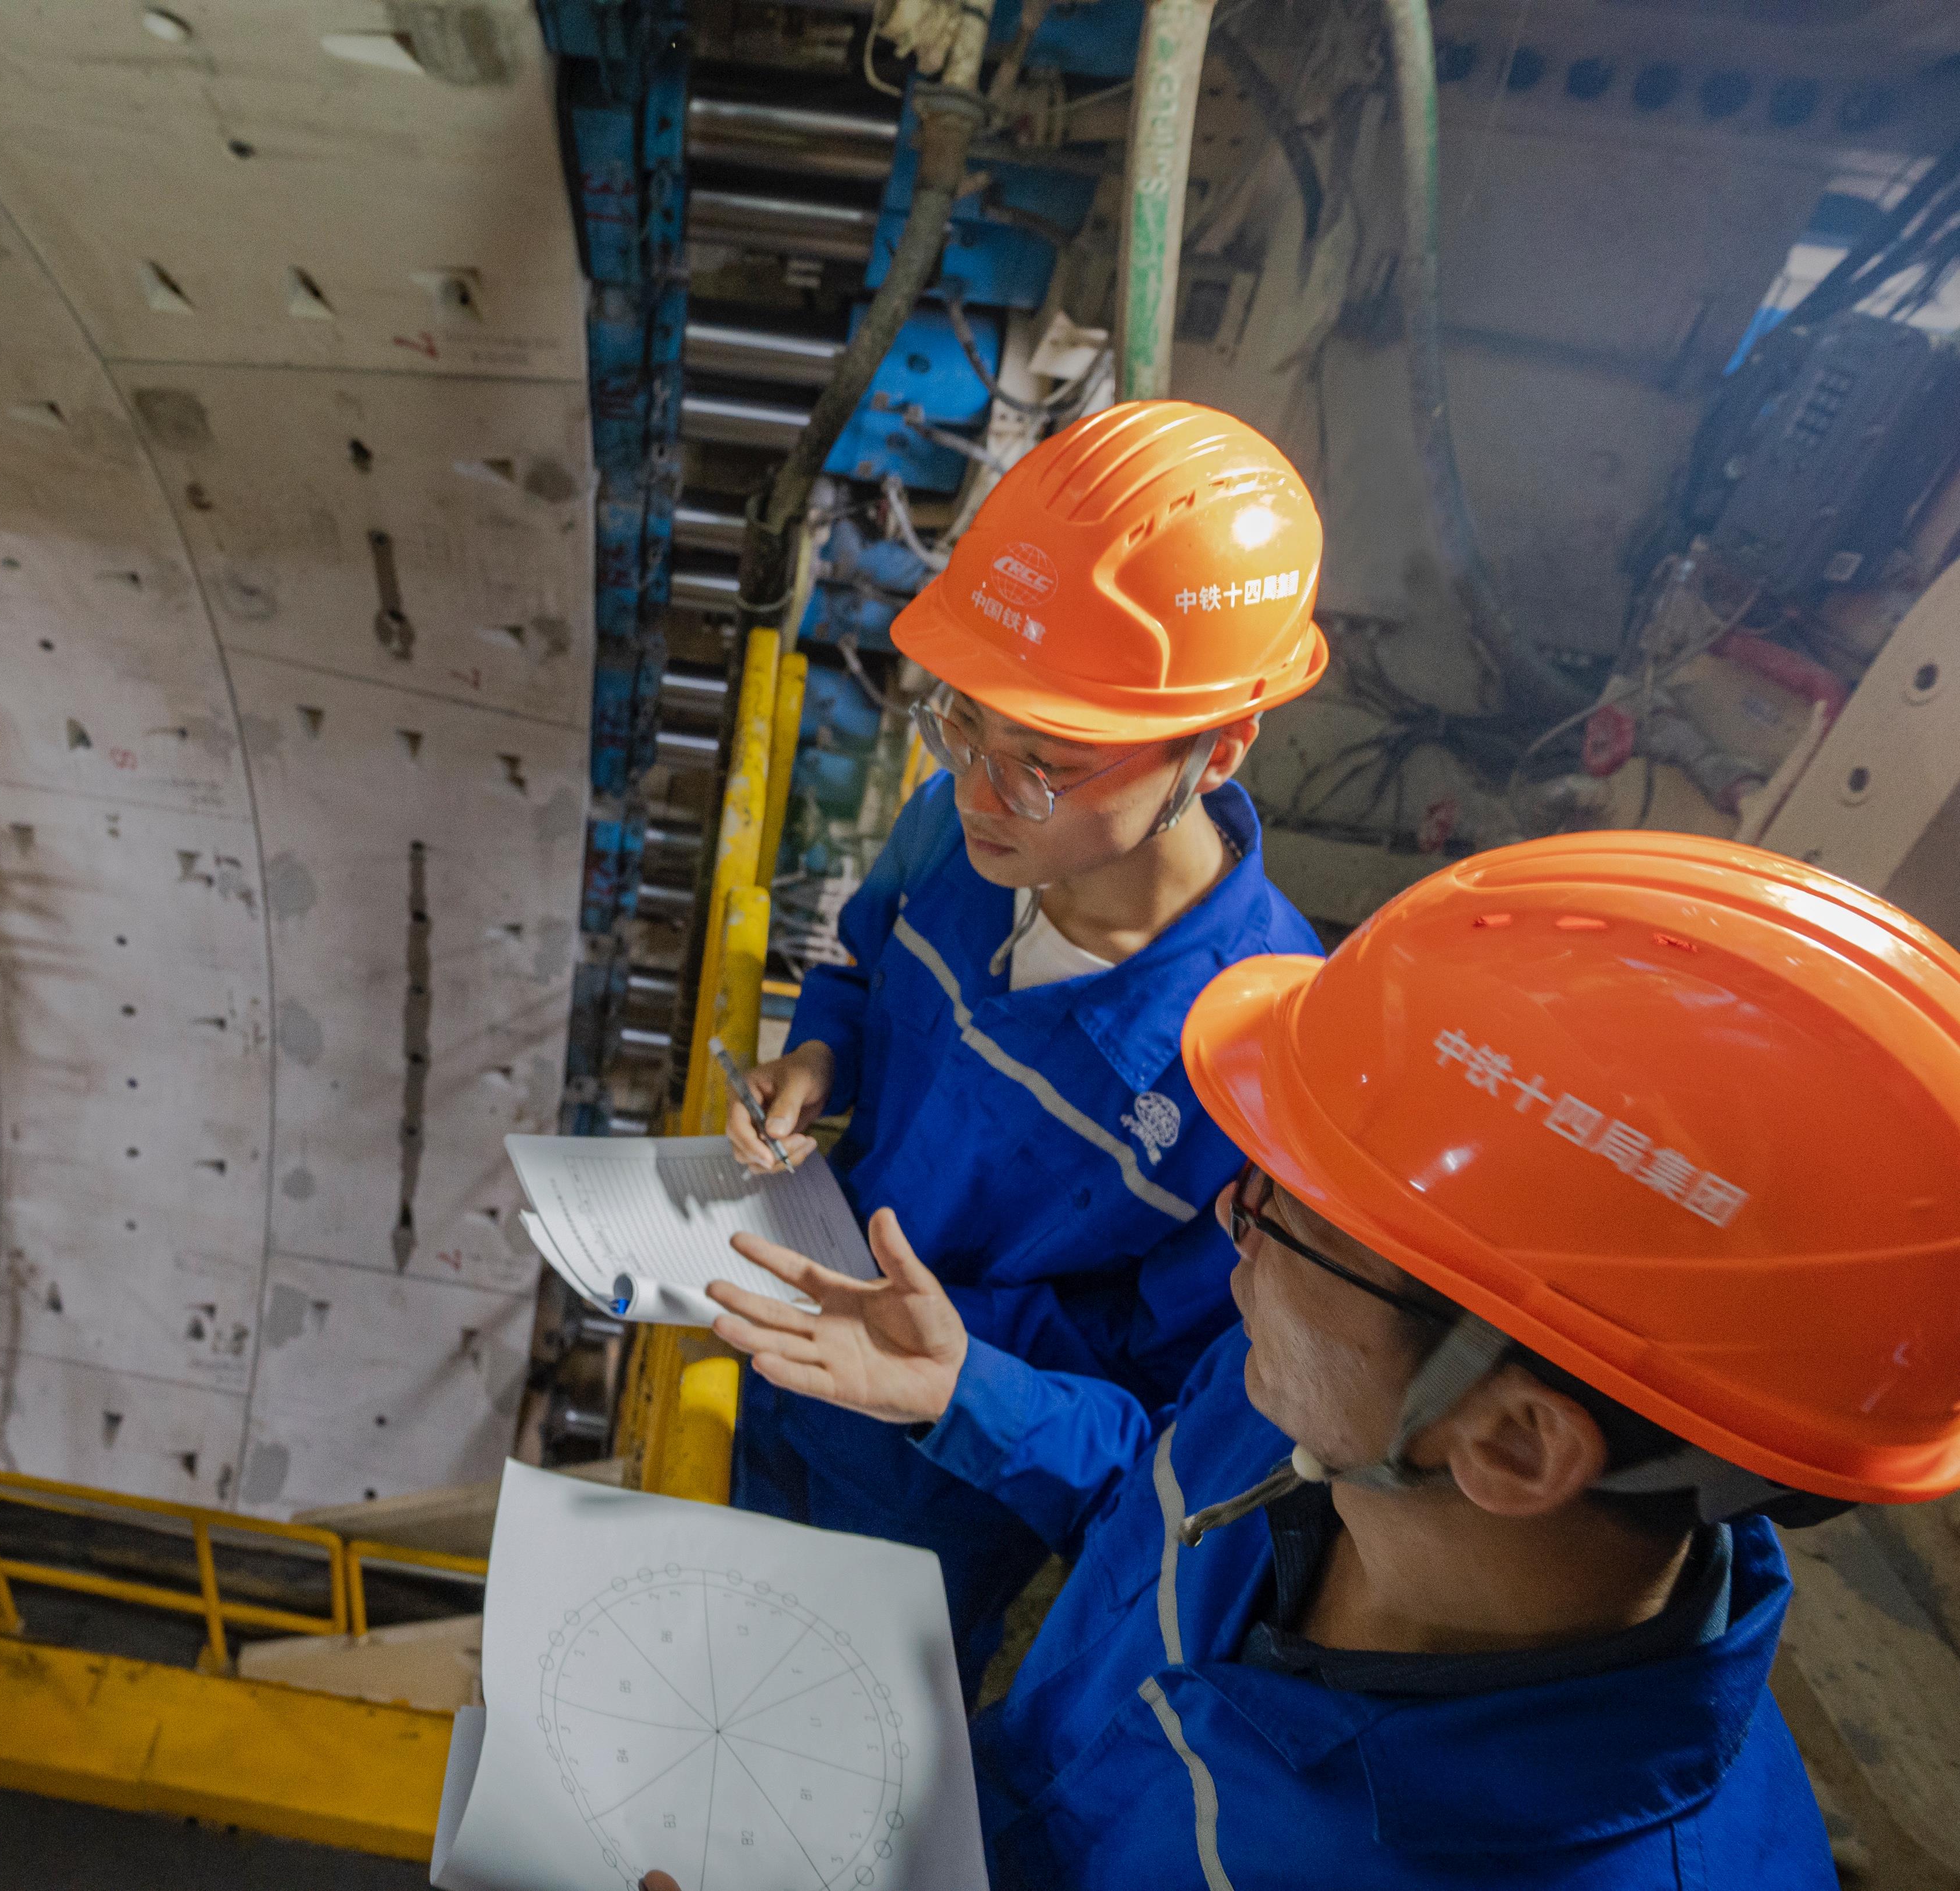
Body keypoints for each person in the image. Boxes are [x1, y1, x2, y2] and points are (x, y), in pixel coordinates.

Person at [699, 829, 1960, 1887]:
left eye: (1293, 1215)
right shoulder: (1332, 1418)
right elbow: (1160, 1499)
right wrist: (965, 1388)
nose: (1228, 1220)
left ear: (1516, 1442)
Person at [723, 399, 1330, 1674]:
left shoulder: (1260, 1065)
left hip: (938, 1485)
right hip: (779, 1349)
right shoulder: (954, 831)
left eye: (1044, 760)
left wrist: (960, 1382)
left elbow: (1170, 1425)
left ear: (1216, 751)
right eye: (961, 721)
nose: (978, 789)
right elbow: (865, 958)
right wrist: (821, 1053)